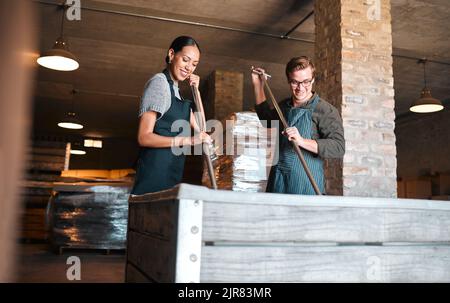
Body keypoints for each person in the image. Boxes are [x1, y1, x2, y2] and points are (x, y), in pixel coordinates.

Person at [251, 56, 345, 195]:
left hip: (305, 185)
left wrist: (301, 141)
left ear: (313, 79)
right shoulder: (284, 106)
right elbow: (267, 121)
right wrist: (258, 85)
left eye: (306, 82)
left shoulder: (325, 110)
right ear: (289, 81)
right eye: (295, 82)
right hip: (278, 182)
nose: (300, 88)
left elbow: (338, 147)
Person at [132, 36, 210, 195]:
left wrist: (197, 91)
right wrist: (188, 140)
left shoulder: (178, 93)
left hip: (171, 173)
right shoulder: (159, 83)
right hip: (154, 175)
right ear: (172, 54)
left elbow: (201, 127)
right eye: (186, 60)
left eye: (194, 64)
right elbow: (144, 137)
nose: (189, 67)